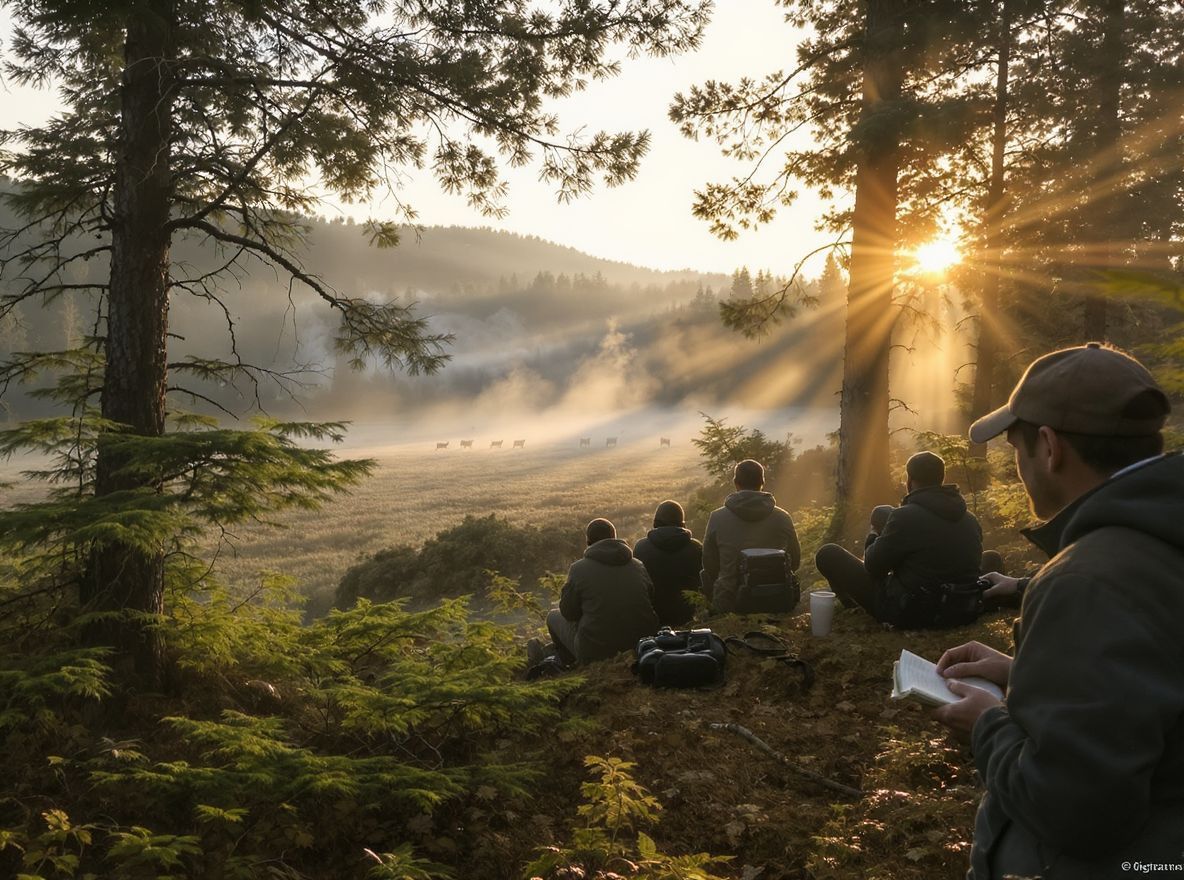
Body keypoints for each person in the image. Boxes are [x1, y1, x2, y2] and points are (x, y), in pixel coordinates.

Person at [931, 342, 1183, 879]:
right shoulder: (1164, 537)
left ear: (1049, 447)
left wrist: (988, 723)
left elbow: (1077, 811)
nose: (1017, 468)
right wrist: (1030, 670)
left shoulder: (1088, 578)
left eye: (1015, 451)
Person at [814, 451, 988, 627]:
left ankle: (851, 605)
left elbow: (874, 567)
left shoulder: (905, 517)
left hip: (912, 612)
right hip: (961, 608)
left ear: (910, 481)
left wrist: (874, 534)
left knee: (828, 554)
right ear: (941, 479)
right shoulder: (970, 519)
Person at [545, 518, 659, 665]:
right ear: (614, 537)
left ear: (588, 542)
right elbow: (651, 599)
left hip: (597, 650)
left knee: (552, 616)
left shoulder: (578, 569)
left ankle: (571, 664)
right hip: (642, 644)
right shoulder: (638, 565)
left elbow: (568, 613)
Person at [700, 459, 800, 614]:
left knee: (704, 576)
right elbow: (795, 560)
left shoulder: (717, 517)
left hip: (730, 602)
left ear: (736, 482)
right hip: (776, 600)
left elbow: (709, 564)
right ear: (762, 482)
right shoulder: (783, 517)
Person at [633, 500, 702, 627]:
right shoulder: (696, 548)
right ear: (683, 524)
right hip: (687, 618)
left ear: (655, 523)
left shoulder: (641, 548)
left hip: (653, 618)